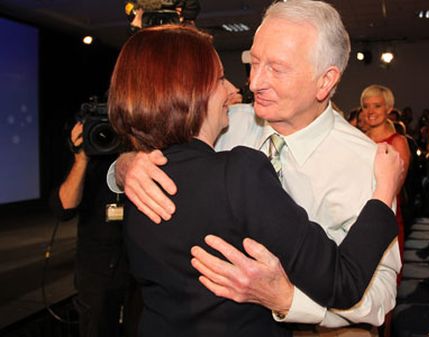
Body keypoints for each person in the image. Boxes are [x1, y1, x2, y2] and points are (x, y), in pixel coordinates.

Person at [109, 1, 402, 335]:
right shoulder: (224, 121)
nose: (253, 82)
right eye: (253, 62)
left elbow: (380, 293)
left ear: (325, 81)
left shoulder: (368, 163)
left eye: (276, 69)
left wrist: (287, 300)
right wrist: (126, 165)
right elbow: (169, 151)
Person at [50, 122, 141, 337]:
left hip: (140, 266)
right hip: (98, 271)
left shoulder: (146, 148)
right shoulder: (89, 151)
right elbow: (63, 208)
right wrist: (81, 158)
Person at [360, 85, 411, 262]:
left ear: (389, 109)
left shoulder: (398, 142)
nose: (370, 111)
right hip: (355, 214)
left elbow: (395, 187)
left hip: (385, 215)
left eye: (377, 105)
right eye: (366, 106)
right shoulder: (357, 139)